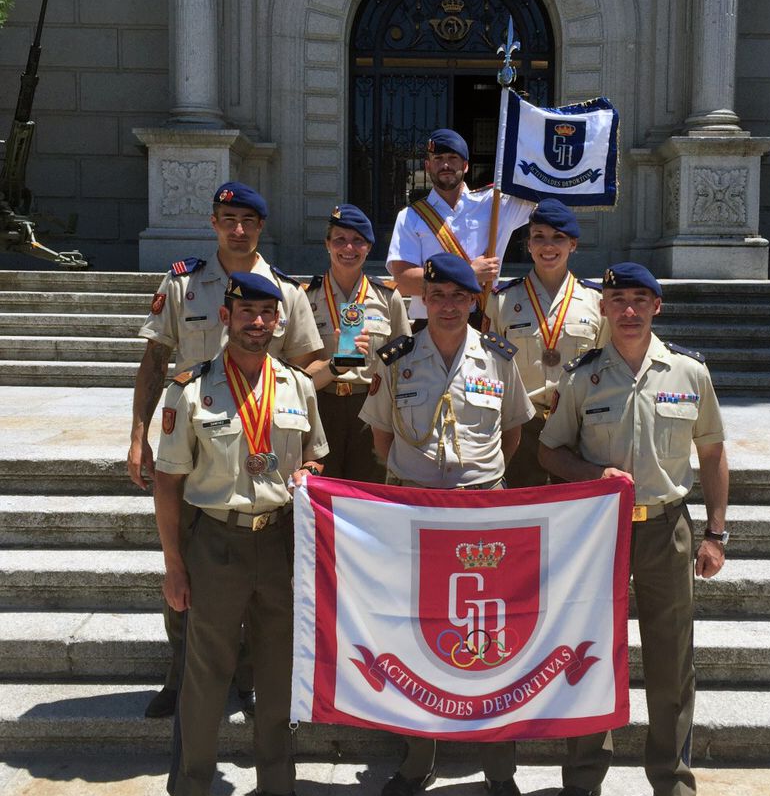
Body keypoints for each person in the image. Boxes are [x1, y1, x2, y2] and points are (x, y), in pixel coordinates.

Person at [537, 263, 729, 796]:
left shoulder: (689, 374)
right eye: (617, 299)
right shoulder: (582, 378)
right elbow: (550, 450)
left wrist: (715, 534)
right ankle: (581, 780)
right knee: (588, 655)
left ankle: (672, 786)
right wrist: (589, 476)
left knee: (671, 663)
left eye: (638, 300)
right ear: (603, 308)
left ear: (656, 308)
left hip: (667, 529)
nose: (627, 310)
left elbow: (713, 454)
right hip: (598, 530)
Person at [128, 182, 325, 719]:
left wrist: (283, 411)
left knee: (262, 584)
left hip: (261, 458)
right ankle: (182, 674)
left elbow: (312, 362)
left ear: (262, 227)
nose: (237, 229)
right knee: (184, 572)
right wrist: (137, 433)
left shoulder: (283, 290)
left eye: (248, 220)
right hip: (196, 449)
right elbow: (154, 361)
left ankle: (250, 678)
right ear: (213, 222)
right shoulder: (183, 283)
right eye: (227, 218)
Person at [359, 253, 535, 796]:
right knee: (414, 638)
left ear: (474, 301)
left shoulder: (499, 359)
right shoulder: (397, 360)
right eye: (438, 296)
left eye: (460, 296)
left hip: (482, 517)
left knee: (493, 643)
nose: (449, 305)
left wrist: (473, 485)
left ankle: (499, 770)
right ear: (424, 300)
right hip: (414, 517)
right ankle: (416, 761)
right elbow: (382, 439)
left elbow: (511, 435)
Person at [155, 271, 328, 796]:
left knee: (279, 671)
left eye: (267, 313)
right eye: (246, 312)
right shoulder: (190, 387)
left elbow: (314, 455)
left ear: (280, 321)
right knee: (206, 675)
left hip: (279, 543)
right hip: (216, 544)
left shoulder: (297, 386)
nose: (257, 323)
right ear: (226, 317)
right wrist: (174, 566)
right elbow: (167, 482)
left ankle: (277, 786)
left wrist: (309, 474)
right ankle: (192, 795)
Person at [484, 199, 608, 487]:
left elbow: (605, 365)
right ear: (528, 244)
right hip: (522, 426)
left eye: (558, 238)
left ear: (573, 245)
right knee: (523, 518)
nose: (548, 246)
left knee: (572, 518)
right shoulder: (502, 300)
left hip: (577, 428)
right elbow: (492, 370)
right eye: (539, 237)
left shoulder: (597, 301)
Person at [303, 204, 411, 481]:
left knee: (369, 493)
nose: (348, 247)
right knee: (323, 492)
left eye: (358, 241)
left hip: (371, 408)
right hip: (321, 407)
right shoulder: (306, 299)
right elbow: (297, 374)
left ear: (369, 247)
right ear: (327, 244)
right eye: (339, 239)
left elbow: (404, 360)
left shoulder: (388, 298)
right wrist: (333, 363)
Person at [386, 128, 533, 326]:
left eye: (452, 158)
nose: (445, 165)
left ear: (465, 166)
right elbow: (404, 281)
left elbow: (542, 195)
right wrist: (469, 274)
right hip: (429, 325)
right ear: (427, 166)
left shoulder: (495, 203)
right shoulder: (410, 217)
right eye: (438, 158)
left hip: (482, 321)